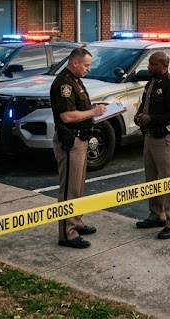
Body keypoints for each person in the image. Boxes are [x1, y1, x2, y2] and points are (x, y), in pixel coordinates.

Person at [50, 47, 107, 249]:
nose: (88, 69)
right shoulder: (64, 83)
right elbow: (67, 116)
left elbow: (79, 110)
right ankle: (67, 234)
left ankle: (76, 222)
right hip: (70, 141)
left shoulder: (76, 80)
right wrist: (94, 111)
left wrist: (95, 112)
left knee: (78, 187)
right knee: (69, 189)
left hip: (80, 140)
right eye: (86, 65)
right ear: (75, 63)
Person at [134, 51, 170, 239]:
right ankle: (157, 215)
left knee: (168, 180)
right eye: (149, 63)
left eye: (153, 64)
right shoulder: (151, 82)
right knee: (152, 179)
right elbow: (144, 105)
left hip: (165, 138)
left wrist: (151, 119)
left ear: (164, 66)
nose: (149, 67)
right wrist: (139, 115)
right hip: (149, 136)